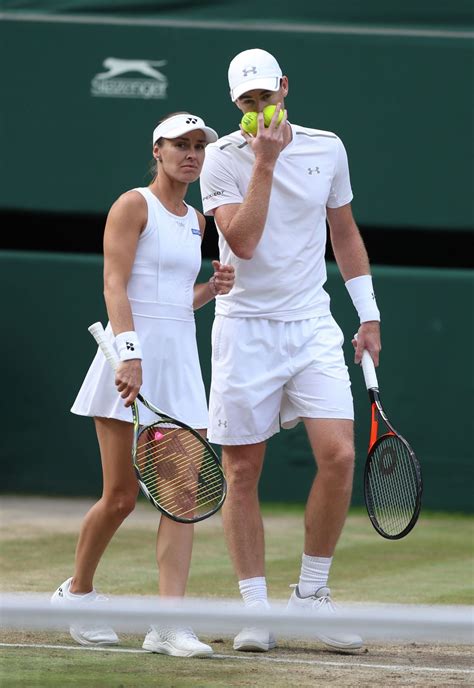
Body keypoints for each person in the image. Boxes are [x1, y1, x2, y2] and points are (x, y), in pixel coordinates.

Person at [199, 48, 382, 652]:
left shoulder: (329, 147)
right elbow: (243, 244)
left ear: (284, 88)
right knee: (243, 469)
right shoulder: (221, 160)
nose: (259, 108)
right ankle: (257, 609)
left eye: (266, 96)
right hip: (243, 329)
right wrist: (265, 164)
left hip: (311, 325)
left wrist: (369, 314)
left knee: (339, 456)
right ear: (236, 107)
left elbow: (345, 232)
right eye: (247, 103)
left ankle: (311, 598)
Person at [51, 112, 235, 658]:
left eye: (199, 146)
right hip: (127, 359)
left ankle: (168, 624)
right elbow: (115, 282)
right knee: (121, 498)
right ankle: (76, 592)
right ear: (157, 150)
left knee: (181, 498)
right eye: (181, 144)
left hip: (180, 364)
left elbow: (176, 301)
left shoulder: (199, 222)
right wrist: (129, 356)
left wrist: (210, 290)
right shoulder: (132, 205)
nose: (192, 154)